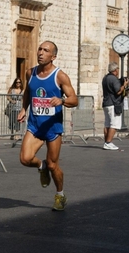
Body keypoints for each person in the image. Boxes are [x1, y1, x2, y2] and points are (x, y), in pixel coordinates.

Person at [17, 41, 78, 211]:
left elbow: (74, 99)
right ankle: (40, 165)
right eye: (40, 49)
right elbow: (28, 92)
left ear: (53, 56)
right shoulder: (30, 73)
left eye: (46, 50)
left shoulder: (60, 76)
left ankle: (60, 194)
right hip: (35, 125)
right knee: (25, 159)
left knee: (53, 165)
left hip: (53, 127)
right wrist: (24, 108)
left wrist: (62, 100)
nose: (41, 53)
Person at [102, 62, 128, 150]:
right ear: (115, 70)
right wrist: (124, 85)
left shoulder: (105, 78)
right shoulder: (113, 79)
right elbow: (118, 91)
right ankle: (108, 142)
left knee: (107, 124)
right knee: (114, 124)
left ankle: (106, 142)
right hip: (113, 103)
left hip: (106, 103)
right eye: (117, 69)